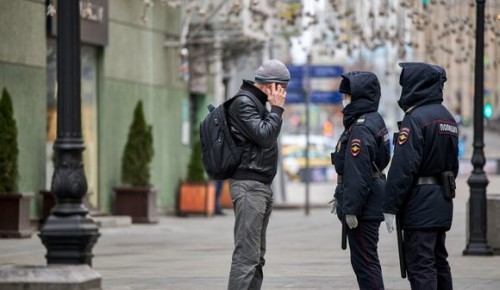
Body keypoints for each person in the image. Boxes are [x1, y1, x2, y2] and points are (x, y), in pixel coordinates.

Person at [383, 62, 459, 290]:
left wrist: (390, 205)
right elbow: (453, 166)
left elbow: (403, 168)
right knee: (438, 262)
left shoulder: (415, 119)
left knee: (421, 264)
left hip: (419, 204)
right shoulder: (447, 118)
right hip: (441, 200)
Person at [226, 59, 289, 290]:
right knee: (246, 257)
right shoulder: (244, 103)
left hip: (260, 186)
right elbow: (265, 136)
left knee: (257, 256)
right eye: (282, 87)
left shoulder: (257, 103)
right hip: (248, 186)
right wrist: (277, 110)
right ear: (271, 85)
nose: (284, 93)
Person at [330, 71, 390, 290]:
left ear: (359, 97)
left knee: (366, 263)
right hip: (371, 199)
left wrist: (352, 208)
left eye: (347, 96)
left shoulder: (360, 129)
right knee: (366, 260)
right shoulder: (374, 120)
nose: (344, 100)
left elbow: (358, 173)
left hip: (364, 207)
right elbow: (381, 160)